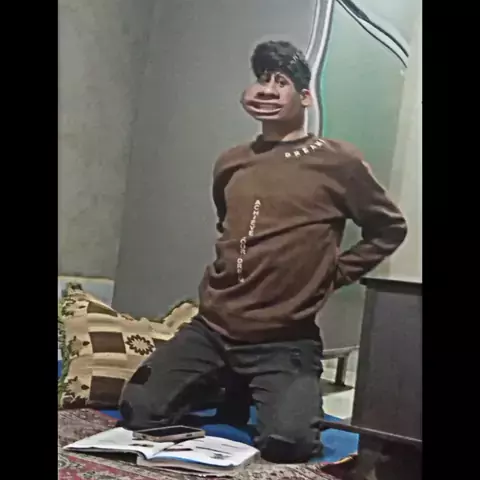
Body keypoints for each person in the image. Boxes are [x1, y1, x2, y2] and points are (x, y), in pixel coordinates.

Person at [119, 40, 407, 463]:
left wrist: (334, 272)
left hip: (284, 337)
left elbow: (389, 228)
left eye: (281, 81)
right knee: (138, 410)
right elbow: (230, 227)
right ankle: (226, 382)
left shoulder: (338, 161)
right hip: (214, 327)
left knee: (290, 443)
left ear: (305, 97)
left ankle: (255, 387)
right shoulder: (231, 161)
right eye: (261, 79)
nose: (268, 89)